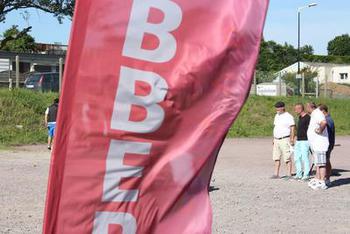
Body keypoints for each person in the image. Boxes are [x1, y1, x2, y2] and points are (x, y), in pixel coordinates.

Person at [306, 102, 329, 190]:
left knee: (322, 163)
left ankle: (322, 182)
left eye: (306, 107)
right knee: (318, 163)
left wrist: (320, 130)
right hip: (315, 144)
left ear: (309, 107)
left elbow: (323, 122)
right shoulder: (314, 114)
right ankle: (318, 179)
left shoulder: (317, 113)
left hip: (320, 144)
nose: (306, 109)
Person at [271, 101, 295, 179]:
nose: (277, 109)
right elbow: (275, 127)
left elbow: (292, 128)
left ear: (283, 107)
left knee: (287, 157)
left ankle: (289, 174)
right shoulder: (276, 116)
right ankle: (276, 173)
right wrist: (273, 138)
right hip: (276, 139)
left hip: (285, 138)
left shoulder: (288, 116)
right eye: (276, 108)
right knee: (276, 157)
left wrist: (292, 138)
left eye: (278, 108)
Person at [293, 103, 311, 181]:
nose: (295, 110)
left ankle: (306, 174)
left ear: (300, 109)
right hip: (298, 140)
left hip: (305, 140)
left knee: (305, 158)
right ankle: (299, 173)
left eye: (296, 109)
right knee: (297, 158)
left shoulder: (308, 118)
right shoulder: (300, 117)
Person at [319, 104, 335, 186]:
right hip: (328, 143)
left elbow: (327, 133)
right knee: (325, 160)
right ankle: (326, 178)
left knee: (326, 161)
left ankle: (327, 178)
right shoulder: (328, 119)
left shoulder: (327, 120)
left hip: (327, 144)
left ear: (323, 111)